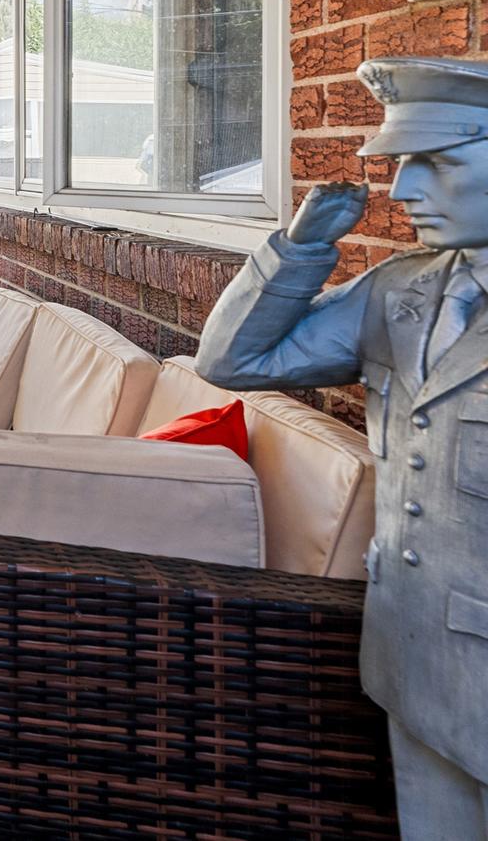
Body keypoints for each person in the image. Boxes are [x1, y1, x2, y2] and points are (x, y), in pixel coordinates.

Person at [197, 56, 488, 838]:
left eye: (437, 161)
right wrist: (299, 247)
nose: (401, 191)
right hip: (412, 661)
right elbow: (232, 361)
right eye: (402, 164)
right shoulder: (406, 290)